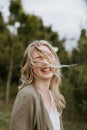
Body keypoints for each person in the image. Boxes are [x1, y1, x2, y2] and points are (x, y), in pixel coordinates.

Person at [9, 40, 66, 130]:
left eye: (48, 56)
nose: (45, 62)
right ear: (30, 66)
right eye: (39, 58)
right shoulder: (27, 95)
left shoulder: (54, 96)